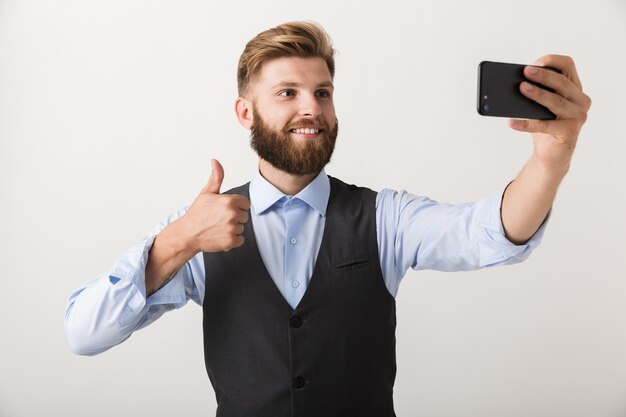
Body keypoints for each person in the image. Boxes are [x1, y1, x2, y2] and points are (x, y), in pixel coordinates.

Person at [64, 21, 591, 416]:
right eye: (287, 93)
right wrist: (178, 240)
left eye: (322, 93)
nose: (310, 108)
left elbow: (489, 233)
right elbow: (84, 334)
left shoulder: (384, 217)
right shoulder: (201, 227)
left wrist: (550, 159)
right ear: (246, 113)